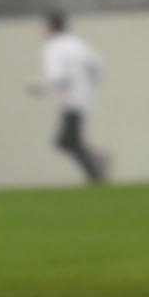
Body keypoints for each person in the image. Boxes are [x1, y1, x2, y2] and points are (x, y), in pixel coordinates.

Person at [32, 12, 108, 184]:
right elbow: (97, 64)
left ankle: (97, 164)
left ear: (51, 27)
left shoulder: (52, 47)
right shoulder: (76, 43)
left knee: (66, 141)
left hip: (69, 99)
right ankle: (96, 170)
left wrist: (40, 87)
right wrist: (90, 85)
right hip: (83, 97)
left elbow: (57, 76)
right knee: (69, 141)